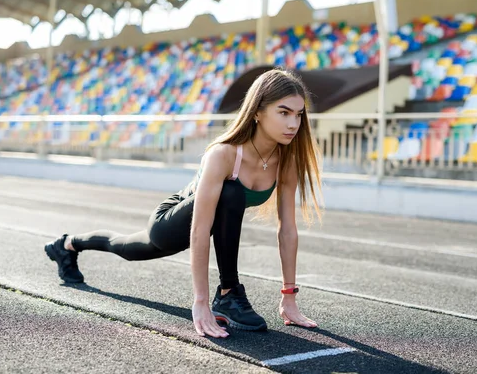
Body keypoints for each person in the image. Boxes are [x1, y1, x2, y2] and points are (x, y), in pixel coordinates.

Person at [44, 68, 323, 338]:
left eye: (298, 115)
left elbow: (287, 230)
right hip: (173, 219)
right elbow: (201, 230)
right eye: (283, 112)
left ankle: (67, 245)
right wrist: (200, 302)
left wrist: (289, 297)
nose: (293, 124)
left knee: (129, 244)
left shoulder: (286, 160)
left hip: (209, 219)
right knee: (126, 247)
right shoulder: (224, 155)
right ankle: (227, 293)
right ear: (258, 113)